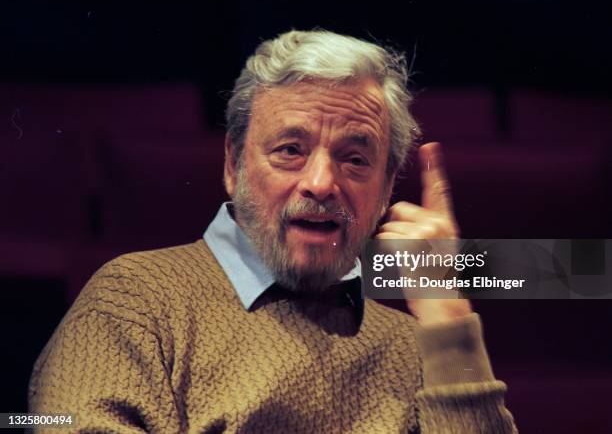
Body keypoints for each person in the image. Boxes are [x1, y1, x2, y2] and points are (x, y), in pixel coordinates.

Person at [29, 30, 517, 433]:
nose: (322, 183)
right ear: (233, 163)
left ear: (387, 188)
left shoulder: (419, 346)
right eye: (290, 150)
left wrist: (448, 313)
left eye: (354, 159)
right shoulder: (135, 298)